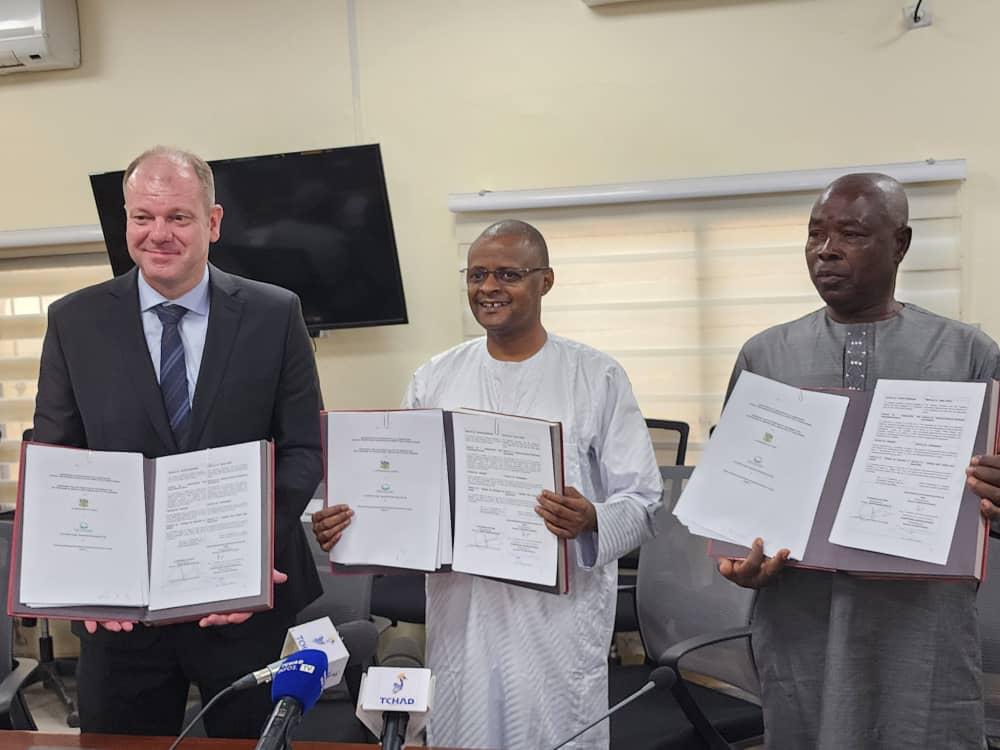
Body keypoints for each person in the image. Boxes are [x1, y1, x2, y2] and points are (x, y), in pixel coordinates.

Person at [313, 220, 663, 749]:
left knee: (557, 734)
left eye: (508, 274)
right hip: (464, 613)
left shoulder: (596, 375)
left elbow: (642, 499)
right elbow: (403, 489)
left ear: (545, 281)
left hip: (556, 622)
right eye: (477, 274)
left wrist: (591, 518)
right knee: (465, 732)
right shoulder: (435, 377)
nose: (488, 287)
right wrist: (350, 525)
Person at [32, 146, 324, 738]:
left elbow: (302, 448)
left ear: (212, 223)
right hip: (121, 614)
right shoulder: (74, 321)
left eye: (178, 217)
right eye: (143, 217)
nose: (158, 234)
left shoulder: (275, 313)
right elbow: (57, 456)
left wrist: (249, 557)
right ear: (126, 222)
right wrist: (76, 576)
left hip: (246, 604)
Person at [719, 172, 1000, 749]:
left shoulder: (969, 354)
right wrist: (736, 558)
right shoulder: (765, 355)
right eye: (815, 235)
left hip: (921, 622)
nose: (826, 250)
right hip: (800, 619)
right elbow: (735, 499)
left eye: (850, 234)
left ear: (900, 244)